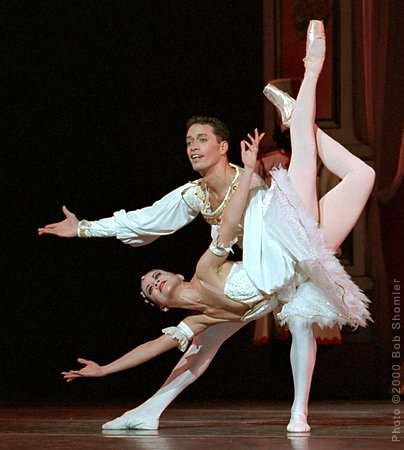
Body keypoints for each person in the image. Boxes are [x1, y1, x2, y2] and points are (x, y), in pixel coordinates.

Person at [61, 20, 376, 433]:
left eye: (201, 139)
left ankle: (310, 76)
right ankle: (150, 411)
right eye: (188, 141)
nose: (192, 146)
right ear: (160, 304)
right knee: (220, 343)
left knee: (334, 161)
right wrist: (84, 229)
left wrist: (249, 170)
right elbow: (144, 219)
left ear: (222, 146)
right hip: (283, 272)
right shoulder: (198, 291)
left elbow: (227, 228)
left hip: (281, 229)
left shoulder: (211, 255)